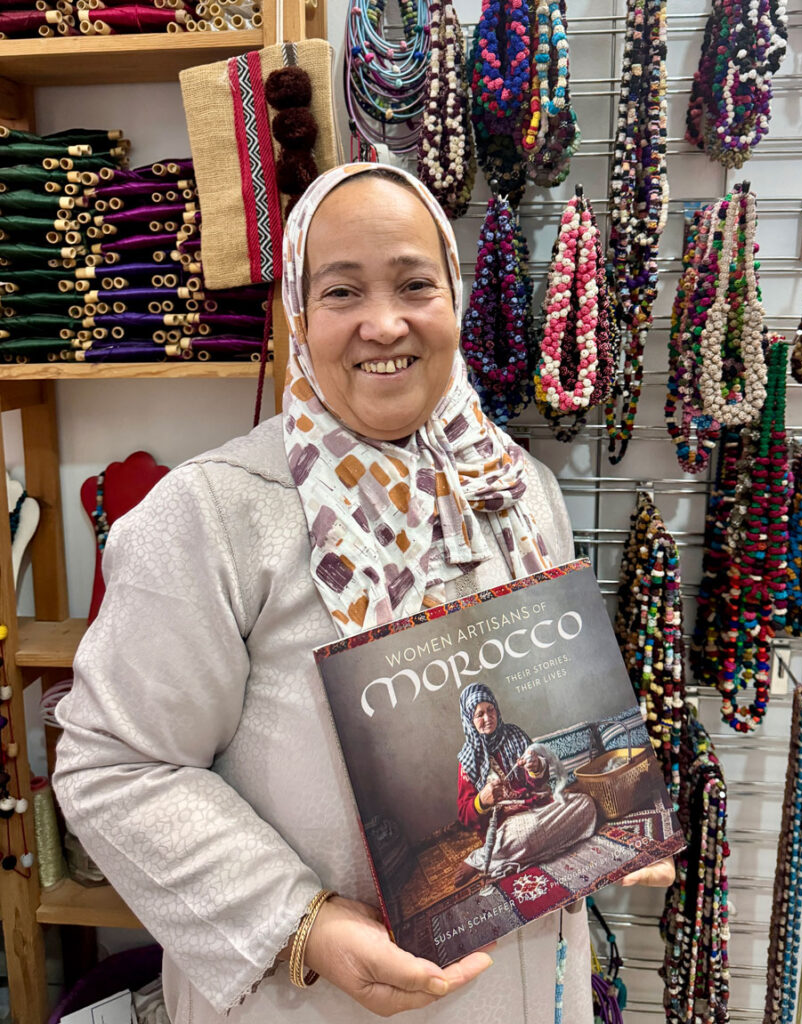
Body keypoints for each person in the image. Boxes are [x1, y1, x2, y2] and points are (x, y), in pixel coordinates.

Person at [54, 164, 673, 1024]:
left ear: (453, 297)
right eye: (342, 291)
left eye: (416, 284)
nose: (385, 324)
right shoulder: (214, 513)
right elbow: (113, 764)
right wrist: (297, 926)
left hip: (524, 987)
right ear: (299, 319)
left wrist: (624, 819)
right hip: (312, 1005)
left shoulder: (517, 488)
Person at [454, 683, 597, 886]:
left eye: (491, 710)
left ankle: (509, 858)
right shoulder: (468, 760)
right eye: (479, 714)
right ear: (469, 719)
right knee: (528, 832)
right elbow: (464, 815)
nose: (487, 718)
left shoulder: (515, 735)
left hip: (538, 807)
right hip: (509, 827)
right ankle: (480, 859)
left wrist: (536, 766)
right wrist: (481, 801)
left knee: (586, 805)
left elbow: (540, 781)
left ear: (497, 709)